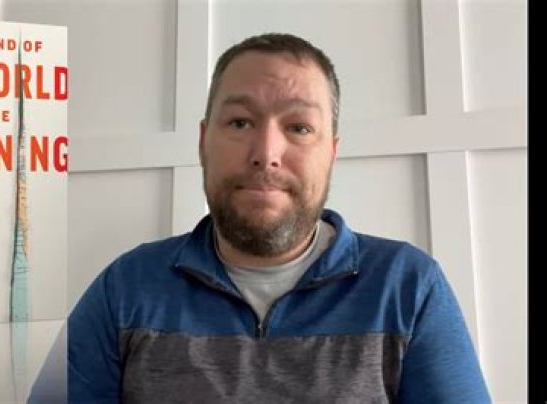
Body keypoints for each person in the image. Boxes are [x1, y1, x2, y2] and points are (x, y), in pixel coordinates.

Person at [30, 32, 491, 403]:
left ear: (331, 153)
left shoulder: (408, 287)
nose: (266, 153)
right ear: (203, 142)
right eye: (240, 123)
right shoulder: (125, 287)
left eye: (299, 127)